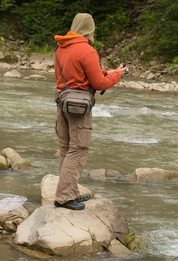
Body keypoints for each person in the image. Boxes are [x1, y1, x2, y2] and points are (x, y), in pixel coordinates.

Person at [53, 13, 127, 210]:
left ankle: (70, 192)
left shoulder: (60, 48)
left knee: (66, 149)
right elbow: (99, 83)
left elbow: (80, 75)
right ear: (90, 29)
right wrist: (118, 76)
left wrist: (112, 72)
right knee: (78, 150)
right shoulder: (87, 51)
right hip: (79, 107)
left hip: (62, 103)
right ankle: (65, 196)